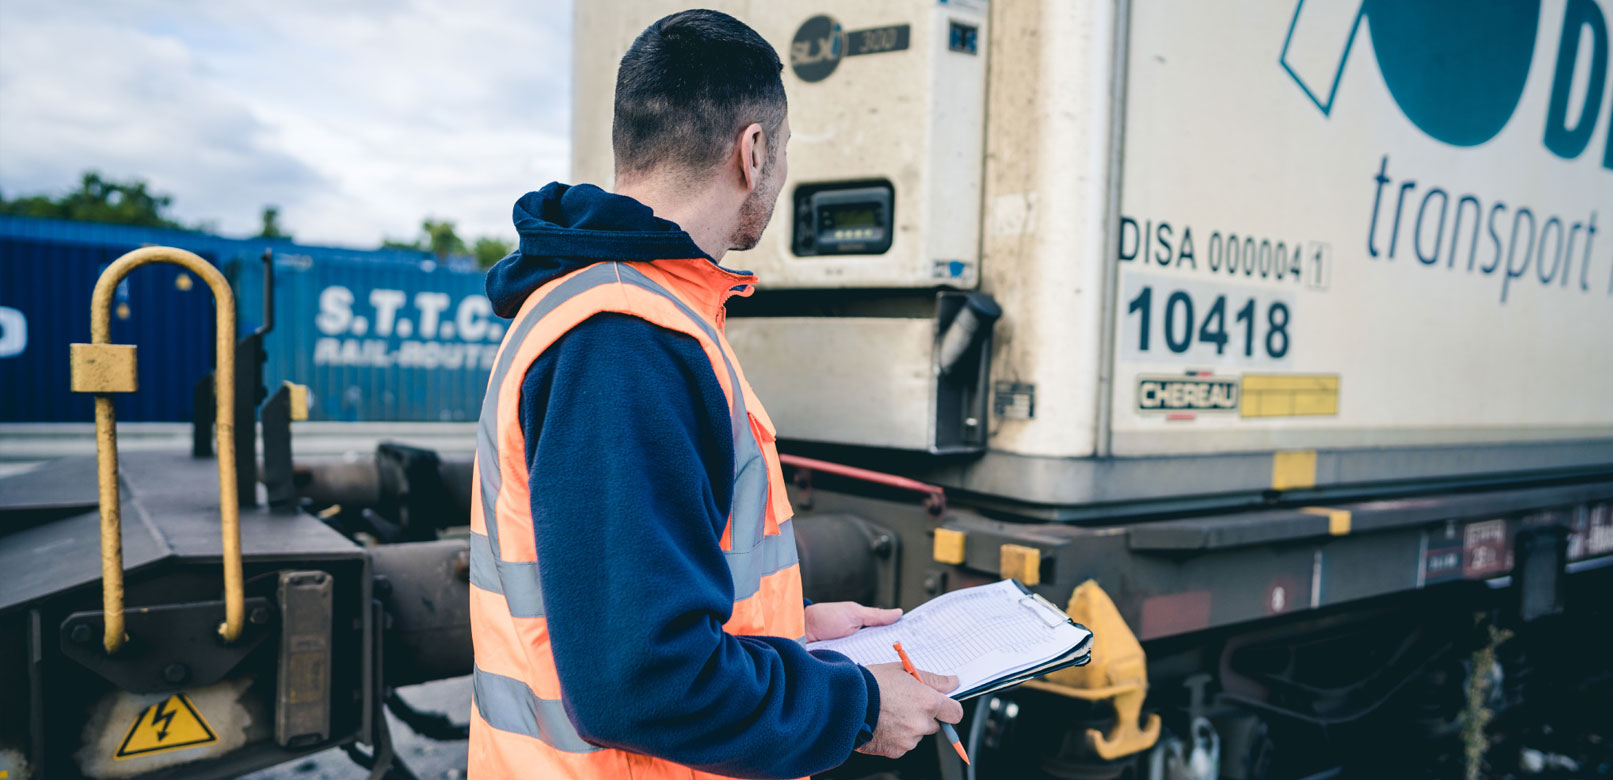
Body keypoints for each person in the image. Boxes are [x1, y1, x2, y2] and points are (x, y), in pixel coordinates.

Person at [467, 9, 964, 779]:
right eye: (784, 150)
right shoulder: (625, 338)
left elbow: (630, 613)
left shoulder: (619, 311)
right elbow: (644, 683)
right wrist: (858, 705)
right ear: (753, 151)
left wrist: (789, 633)